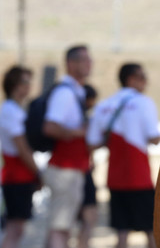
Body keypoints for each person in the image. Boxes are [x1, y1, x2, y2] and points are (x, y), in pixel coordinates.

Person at [87, 63, 160, 248]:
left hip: (115, 178)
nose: (146, 81)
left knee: (121, 231)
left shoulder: (104, 106)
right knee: (151, 230)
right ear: (131, 79)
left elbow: (92, 142)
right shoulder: (144, 103)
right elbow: (155, 138)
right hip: (139, 177)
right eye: (142, 77)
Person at [42, 45, 91, 248]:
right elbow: (50, 127)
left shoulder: (74, 92)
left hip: (71, 169)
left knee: (62, 225)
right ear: (71, 63)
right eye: (84, 60)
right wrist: (79, 132)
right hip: (65, 169)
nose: (89, 65)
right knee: (60, 227)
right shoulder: (65, 93)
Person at [0, 66, 40, 248]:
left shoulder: (16, 109)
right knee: (15, 228)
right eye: (25, 82)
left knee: (18, 227)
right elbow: (22, 148)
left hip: (20, 175)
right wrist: (38, 173)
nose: (28, 86)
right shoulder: (10, 111)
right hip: (16, 176)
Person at [77, 84, 99, 248]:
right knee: (89, 217)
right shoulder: (83, 119)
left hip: (80, 169)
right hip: (81, 170)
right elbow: (89, 144)